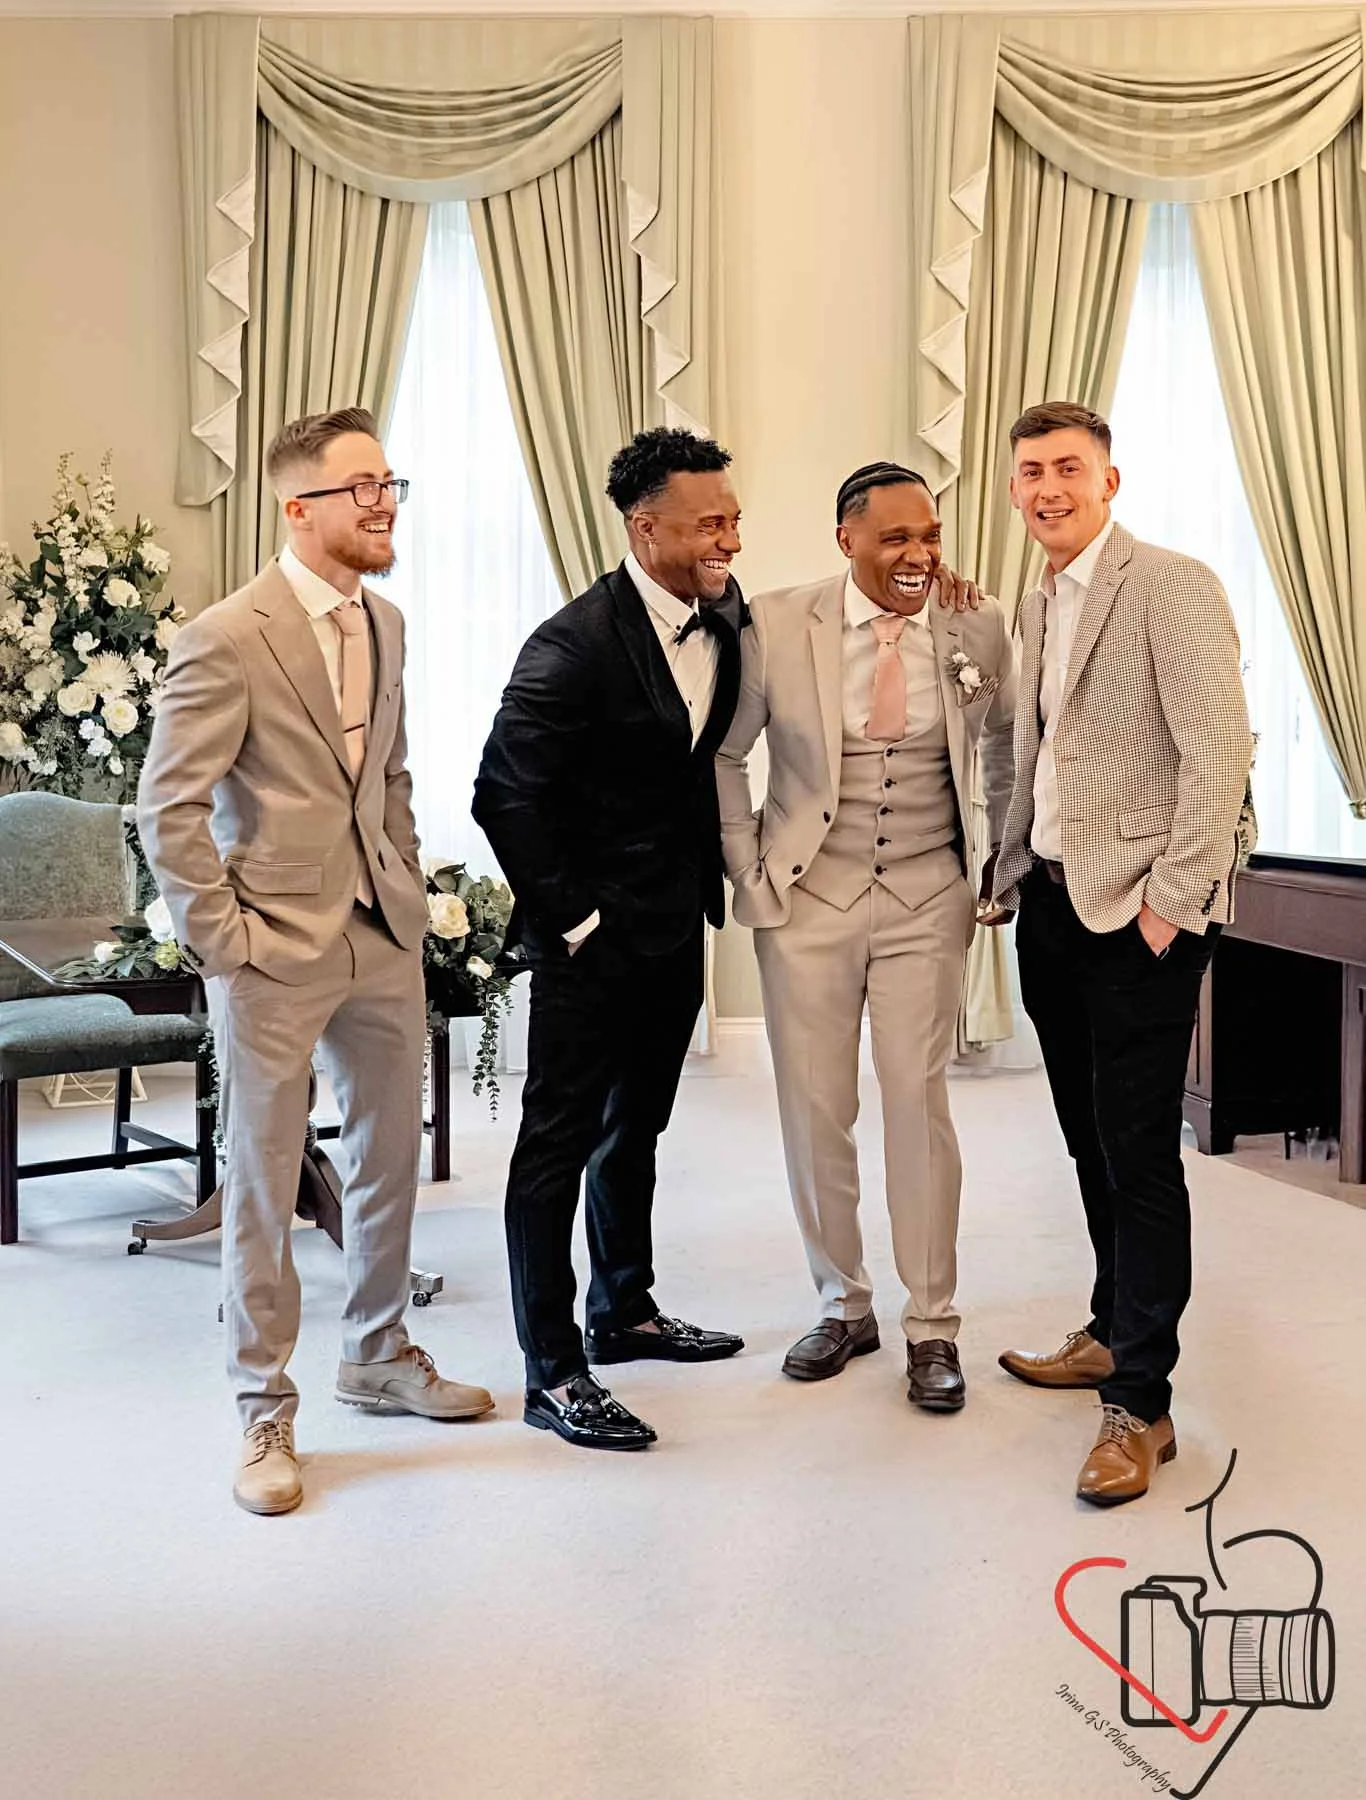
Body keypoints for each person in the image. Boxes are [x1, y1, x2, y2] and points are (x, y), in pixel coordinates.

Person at [138, 406, 492, 1517]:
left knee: (388, 1156)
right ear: (300, 507)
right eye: (363, 488)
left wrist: (405, 883)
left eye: (390, 484)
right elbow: (168, 806)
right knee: (262, 1174)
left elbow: (388, 772)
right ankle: (262, 1406)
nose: (386, 504)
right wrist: (224, 942)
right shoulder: (225, 635)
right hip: (269, 946)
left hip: (381, 932)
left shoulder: (385, 621)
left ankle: (377, 1353)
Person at [991, 401, 1253, 1506]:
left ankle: (1142, 1404)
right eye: (1029, 471)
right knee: (1087, 1139)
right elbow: (1045, 753)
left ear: (1109, 480)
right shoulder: (1038, 599)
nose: (1047, 487)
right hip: (1054, 905)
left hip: (1142, 915)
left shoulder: (1170, 584)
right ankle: (1109, 1329)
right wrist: (1009, 869)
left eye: (1067, 467)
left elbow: (1219, 751)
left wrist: (1171, 905)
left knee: (1139, 1154)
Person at [716, 463, 1015, 1410]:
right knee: (815, 1105)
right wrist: (749, 870)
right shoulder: (776, 621)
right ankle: (843, 1303)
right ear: (846, 540)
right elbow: (727, 753)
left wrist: (998, 862)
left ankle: (933, 1324)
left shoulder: (976, 623)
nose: (918, 555)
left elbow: (1007, 740)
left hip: (928, 892)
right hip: (808, 896)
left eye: (929, 535)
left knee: (917, 1099)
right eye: (895, 538)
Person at [472, 428, 747, 1452]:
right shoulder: (570, 643)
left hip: (675, 927)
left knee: (637, 1130)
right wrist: (577, 920)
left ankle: (623, 1308)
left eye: (733, 518)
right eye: (709, 522)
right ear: (645, 529)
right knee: (557, 1144)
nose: (729, 538)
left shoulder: (726, 614)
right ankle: (552, 1370)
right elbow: (502, 794)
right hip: (587, 944)